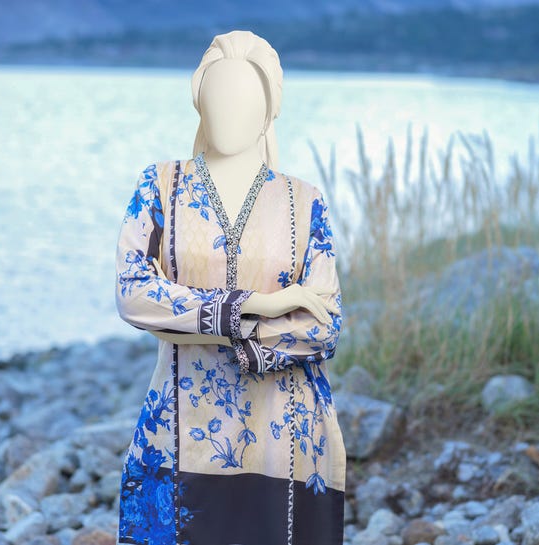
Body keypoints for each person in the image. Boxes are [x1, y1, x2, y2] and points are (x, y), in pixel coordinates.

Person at [115, 29, 346, 545]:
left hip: (284, 439)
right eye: (216, 97)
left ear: (268, 113)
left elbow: (324, 326)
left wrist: (190, 321)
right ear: (199, 103)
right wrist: (259, 305)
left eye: (244, 100)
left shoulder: (304, 201)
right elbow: (132, 291)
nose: (228, 113)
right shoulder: (161, 185)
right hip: (177, 432)